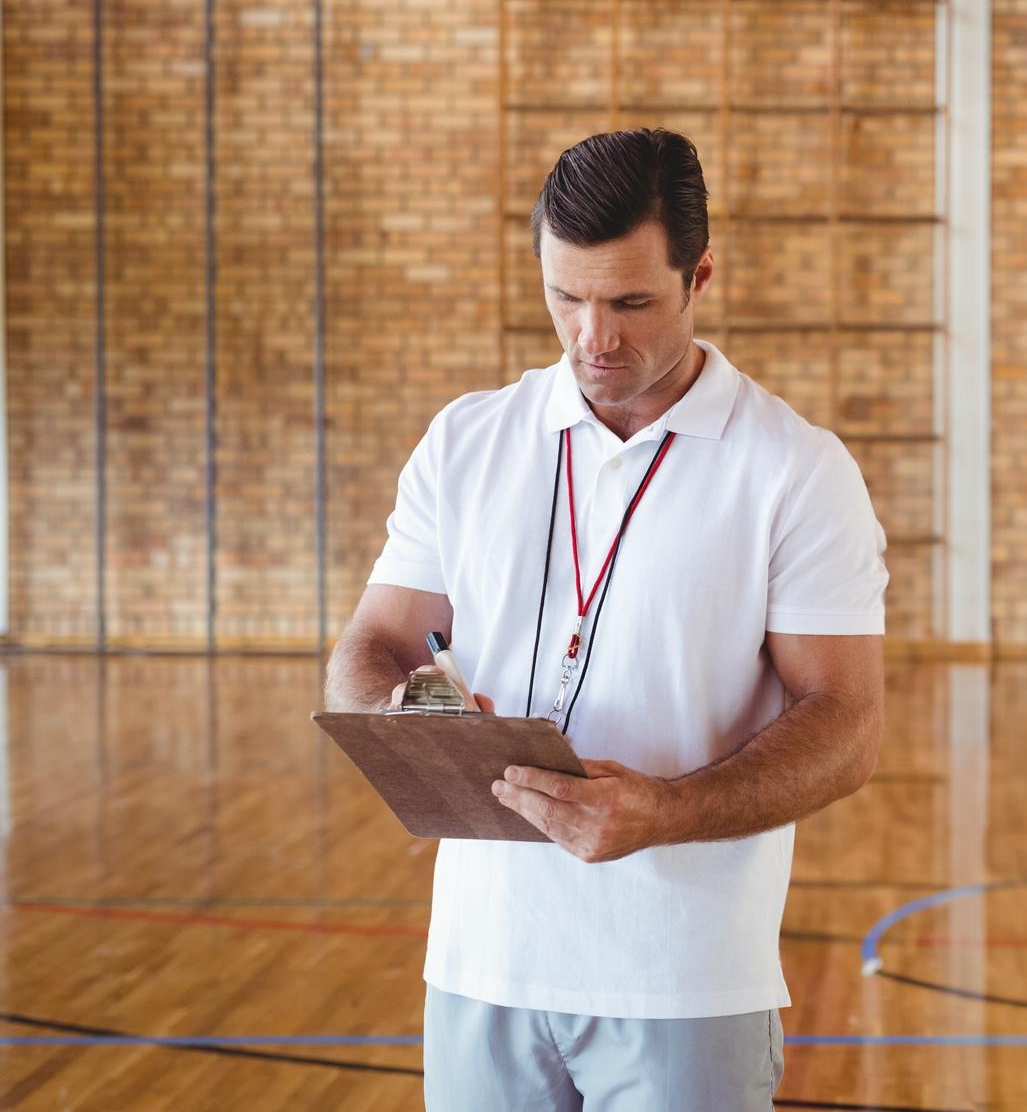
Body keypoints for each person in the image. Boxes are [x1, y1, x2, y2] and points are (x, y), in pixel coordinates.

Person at [323, 128, 889, 1110]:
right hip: (479, 967)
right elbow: (372, 648)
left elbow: (845, 726)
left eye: (630, 302)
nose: (594, 339)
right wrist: (410, 711)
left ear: (699, 274)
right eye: (566, 298)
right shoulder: (466, 441)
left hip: (684, 982)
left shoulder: (796, 469)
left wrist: (665, 811)